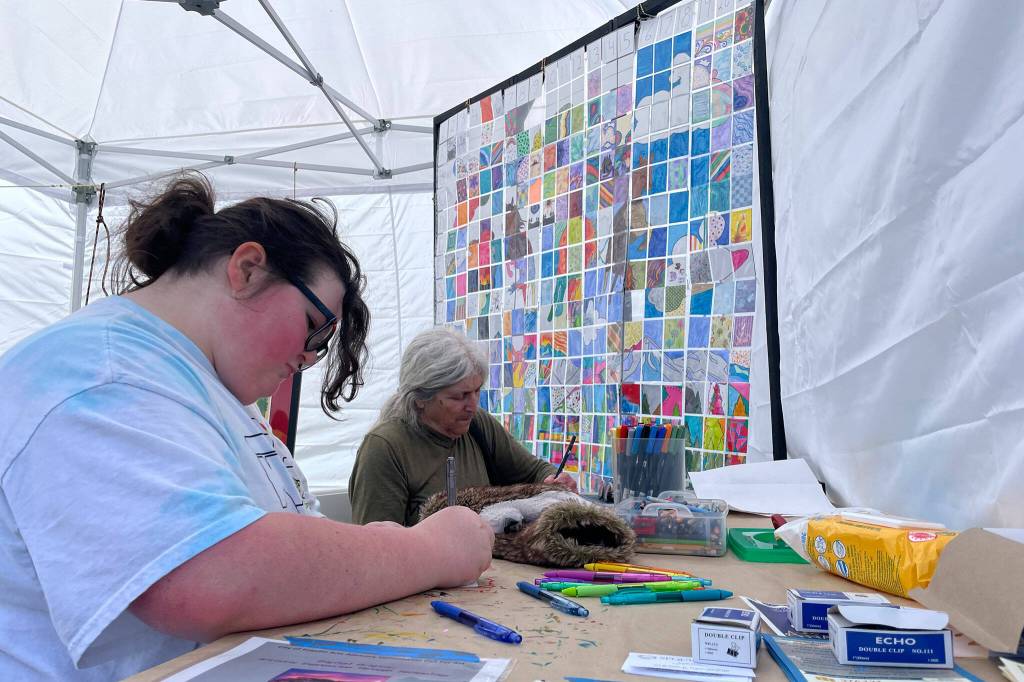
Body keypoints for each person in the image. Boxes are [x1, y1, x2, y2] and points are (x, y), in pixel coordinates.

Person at [0, 174, 493, 681]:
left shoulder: (206, 386)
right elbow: (205, 577)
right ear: (248, 269)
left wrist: (372, 548)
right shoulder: (100, 374)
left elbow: (283, 539)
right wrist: (427, 551)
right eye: (314, 327)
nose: (309, 357)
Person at [349, 327, 578, 526]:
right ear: (420, 398)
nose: (472, 405)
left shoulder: (478, 425)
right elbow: (378, 545)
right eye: (459, 396)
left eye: (477, 391)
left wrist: (554, 480)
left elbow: (534, 472)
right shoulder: (384, 449)